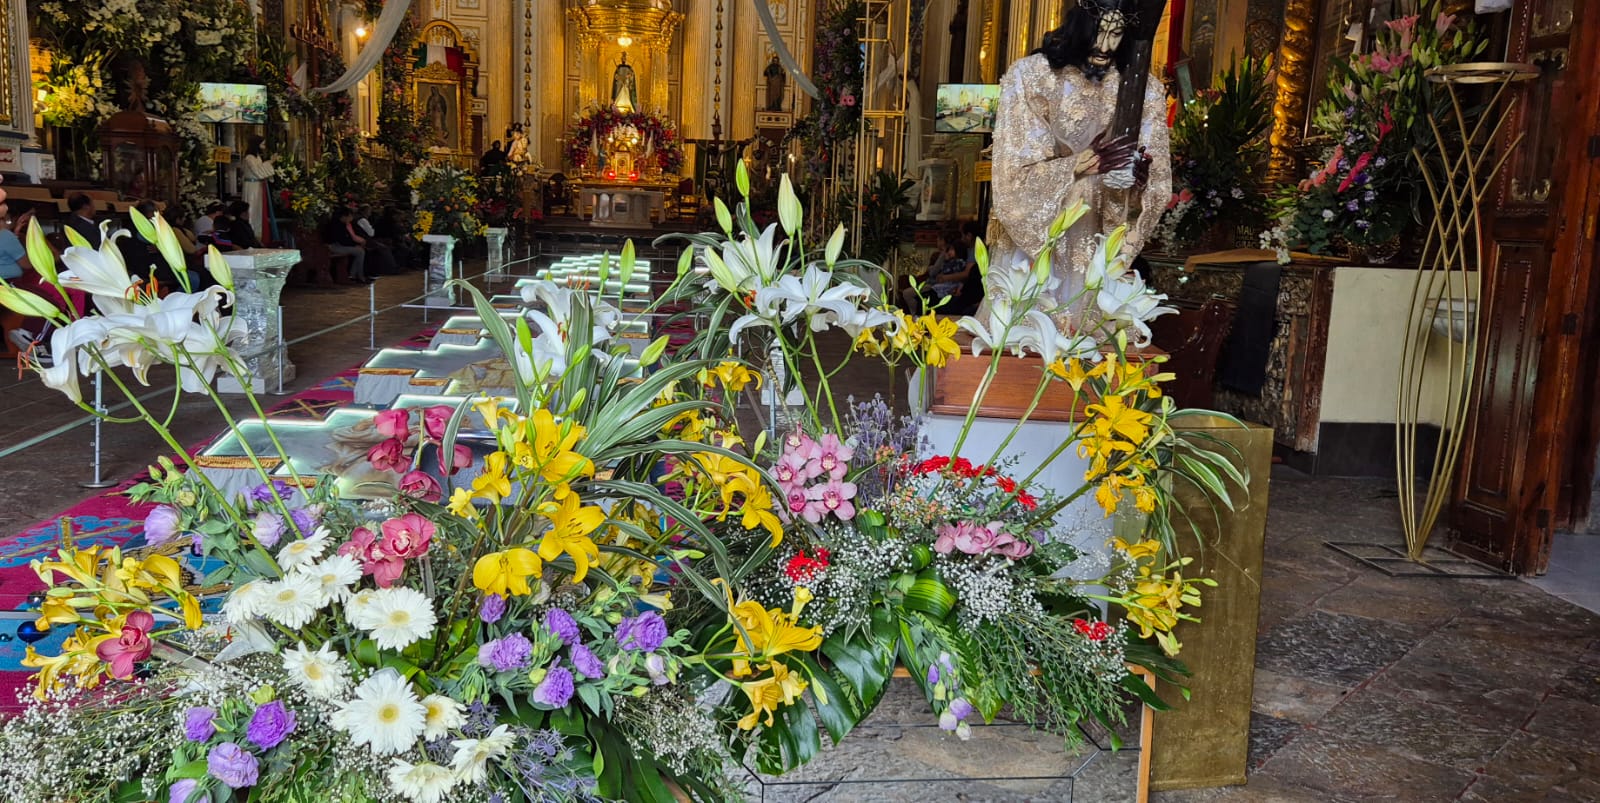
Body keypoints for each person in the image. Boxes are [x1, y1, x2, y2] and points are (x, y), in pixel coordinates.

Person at [978, 0, 1171, 333]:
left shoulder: (1145, 89)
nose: (1105, 46)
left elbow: (1156, 177)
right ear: (1081, 23)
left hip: (1100, 234)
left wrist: (1138, 177)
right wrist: (1078, 165)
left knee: (1094, 344)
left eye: (1116, 33)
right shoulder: (1033, 76)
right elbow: (1014, 168)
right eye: (1099, 31)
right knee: (1026, 337)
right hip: (1043, 235)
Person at [240, 136, 275, 246]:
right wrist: (270, 162)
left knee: (258, 211)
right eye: (262, 144)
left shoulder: (257, 157)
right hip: (252, 186)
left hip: (258, 186)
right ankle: (252, 235)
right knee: (252, 209)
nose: (264, 147)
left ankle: (259, 235)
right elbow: (258, 172)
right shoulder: (249, 158)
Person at [321, 207, 370, 284]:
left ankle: (353, 275)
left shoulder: (341, 223)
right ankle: (359, 276)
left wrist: (354, 245)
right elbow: (342, 240)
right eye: (350, 216)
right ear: (344, 216)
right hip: (332, 246)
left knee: (360, 251)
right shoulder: (336, 225)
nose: (351, 218)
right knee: (360, 252)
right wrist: (354, 245)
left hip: (338, 245)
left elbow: (347, 238)